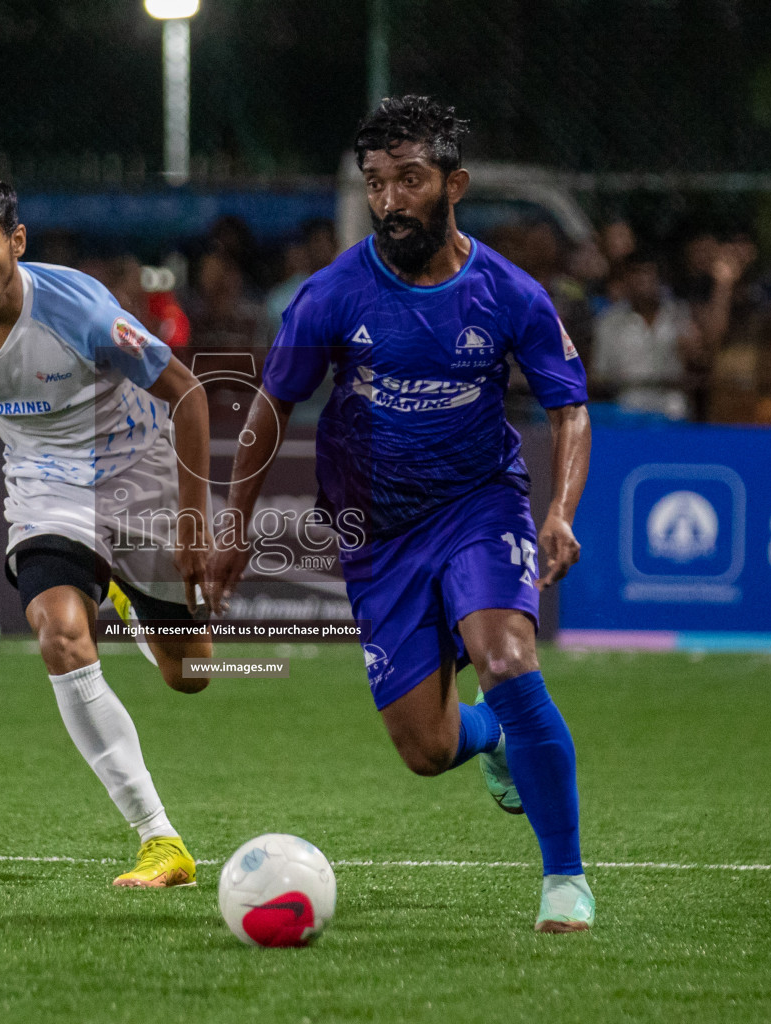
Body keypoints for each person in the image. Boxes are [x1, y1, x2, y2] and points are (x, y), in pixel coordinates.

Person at [205, 96, 595, 932]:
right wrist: (233, 526)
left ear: (453, 184)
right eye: (376, 183)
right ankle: (491, 738)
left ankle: (565, 877)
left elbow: (569, 408)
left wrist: (559, 511)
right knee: (424, 749)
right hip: (379, 533)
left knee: (505, 652)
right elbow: (271, 406)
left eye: (409, 180)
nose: (390, 200)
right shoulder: (333, 295)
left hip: (479, 505)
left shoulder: (509, 293)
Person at [0, 173, 213, 888]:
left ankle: (125, 595)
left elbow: (187, 394)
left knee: (192, 675)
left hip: (139, 474)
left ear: (16, 242)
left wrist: (191, 525)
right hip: (46, 487)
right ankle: (160, 841)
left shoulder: (80, 311)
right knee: (60, 633)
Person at [591, 249, 703, 419]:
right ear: (626, 280)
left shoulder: (681, 314)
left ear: (660, 279)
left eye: (649, 273)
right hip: (626, 410)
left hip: (673, 408)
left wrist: (691, 353)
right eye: (636, 274)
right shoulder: (609, 321)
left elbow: (697, 362)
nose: (643, 280)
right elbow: (600, 375)